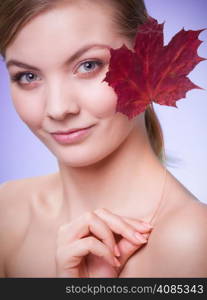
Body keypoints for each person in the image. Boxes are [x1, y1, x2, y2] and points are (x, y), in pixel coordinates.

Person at [0, 0, 207, 278]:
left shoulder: (190, 239)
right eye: (28, 76)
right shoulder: (7, 210)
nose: (58, 108)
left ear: (149, 62)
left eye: (88, 65)